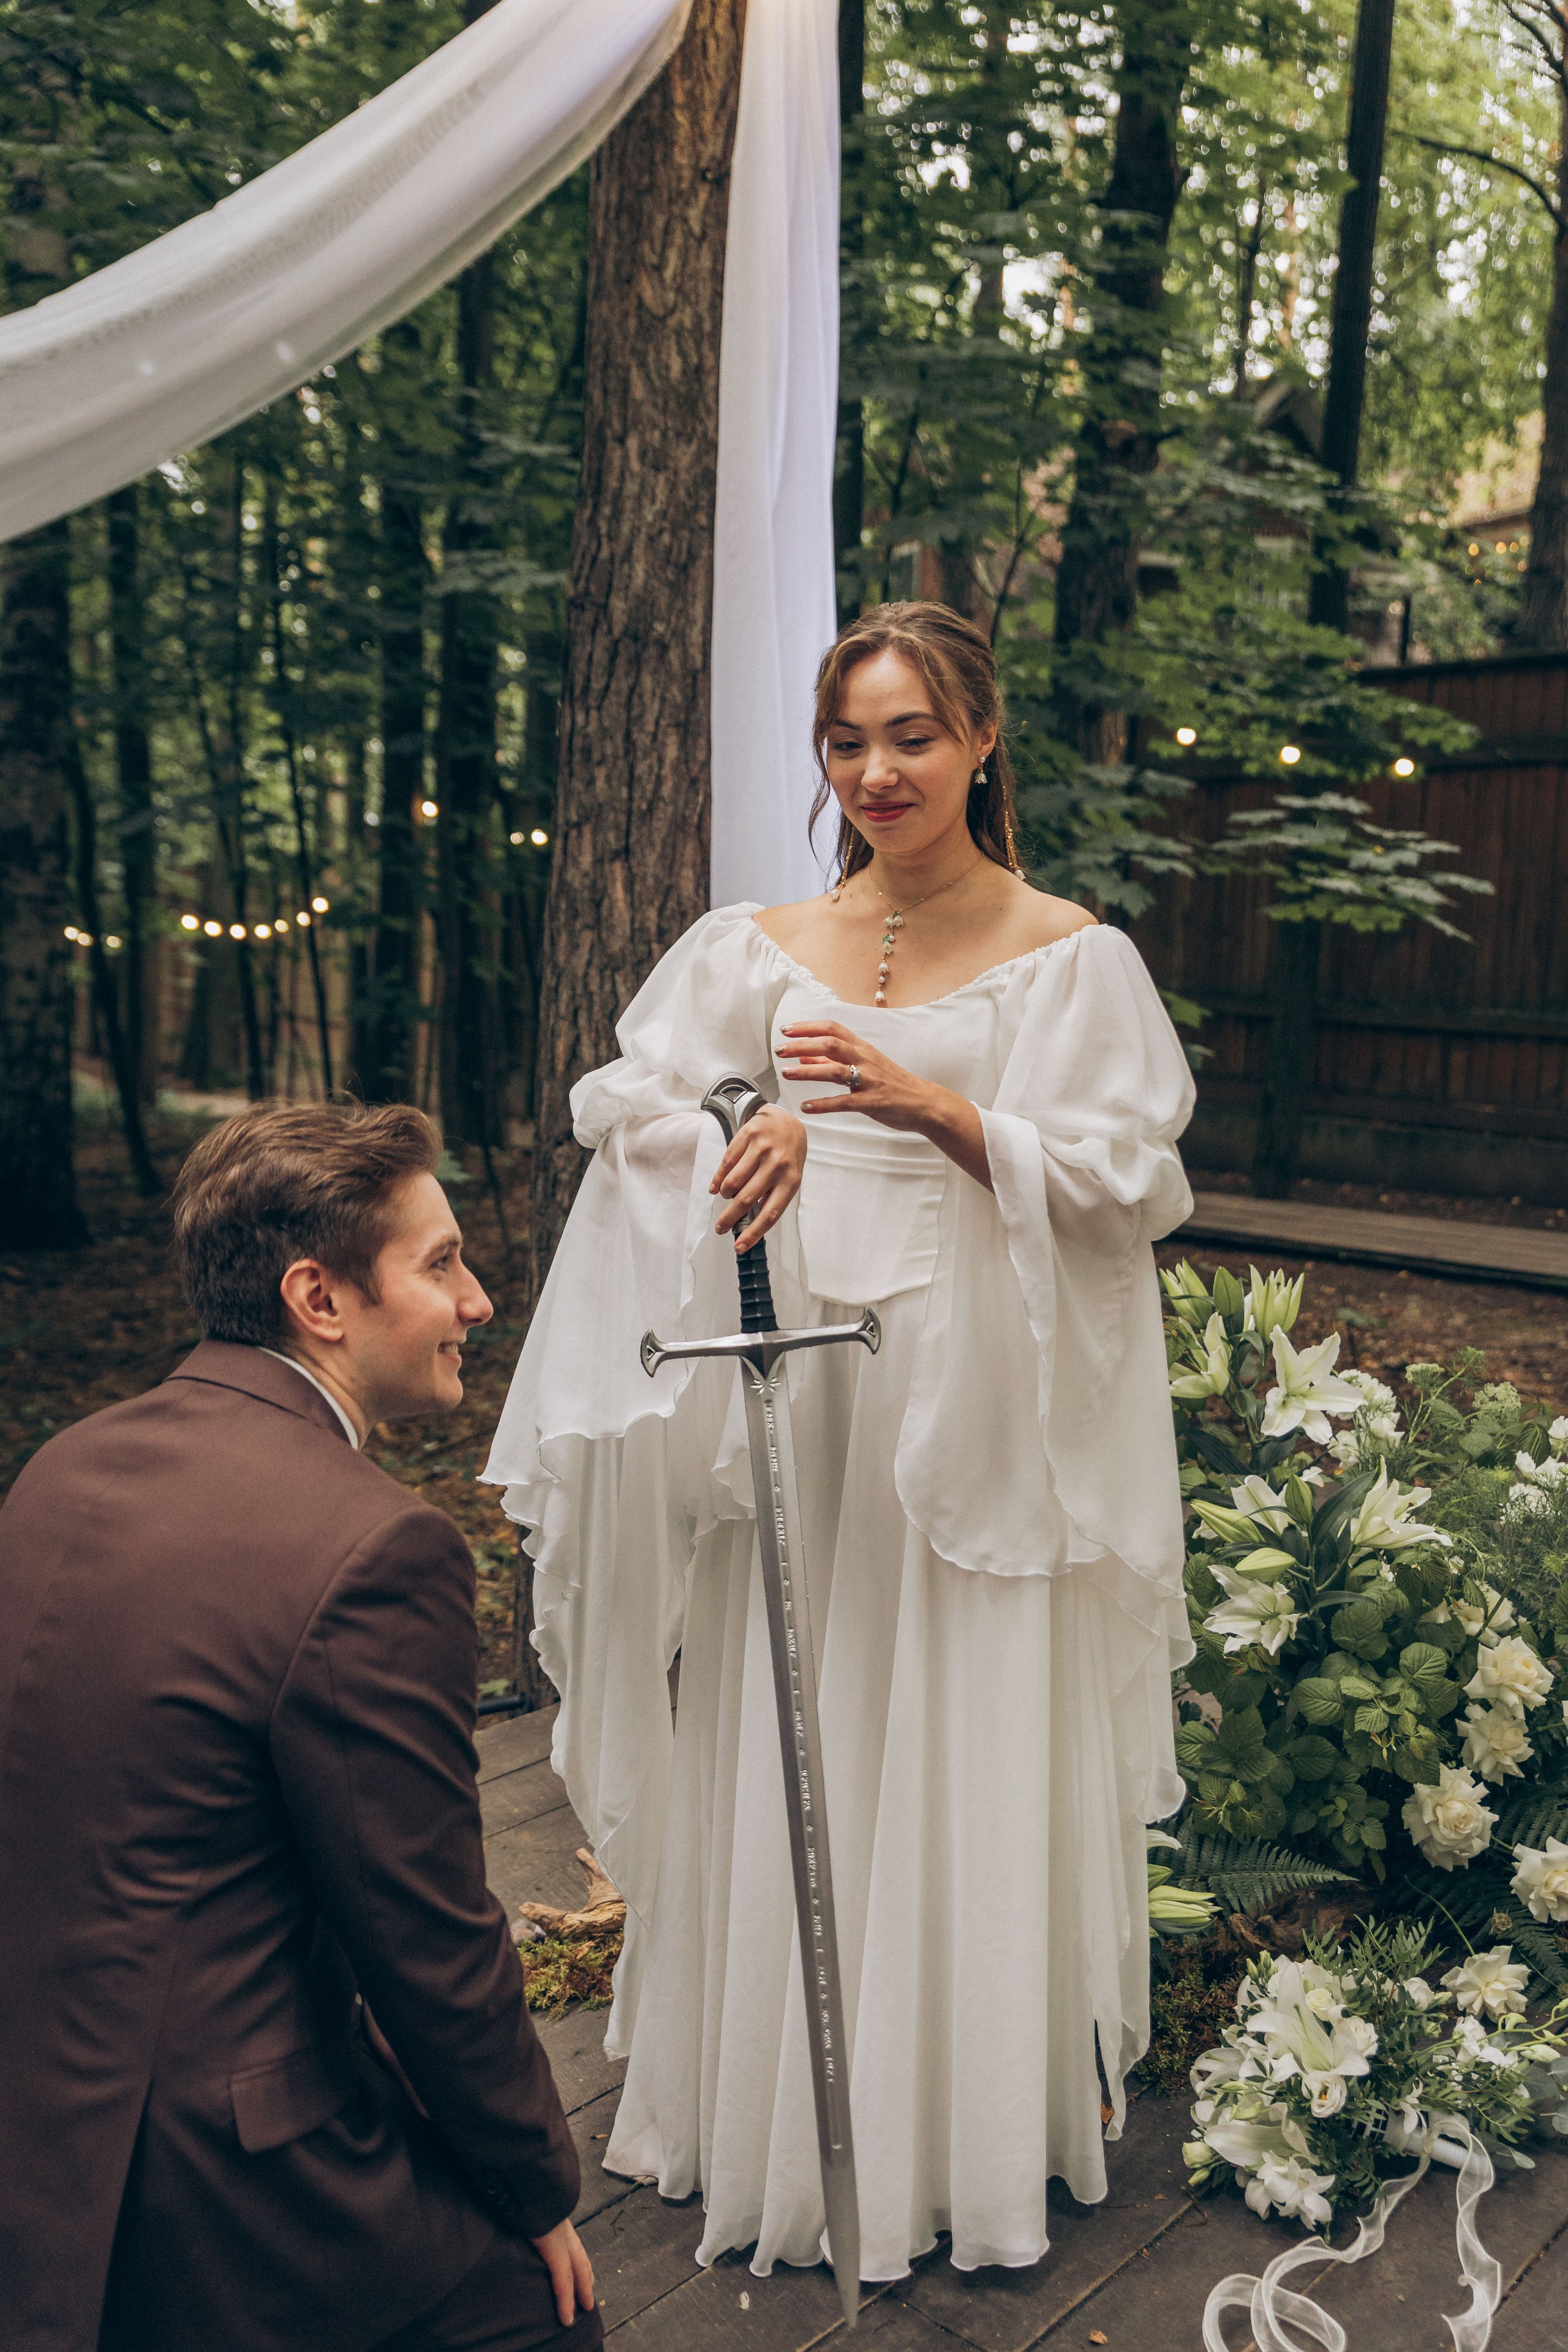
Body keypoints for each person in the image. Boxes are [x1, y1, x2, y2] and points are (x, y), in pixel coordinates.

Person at [485, 603, 1197, 2283]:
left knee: (952, 1730)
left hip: (977, 1422)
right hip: (791, 1406)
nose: (876, 773)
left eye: (911, 737)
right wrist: (748, 1135)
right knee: (786, 1719)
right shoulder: (752, 945)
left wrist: (941, 1112)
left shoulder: (1069, 956)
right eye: (847, 741)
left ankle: (950, 2135)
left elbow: (1128, 1188)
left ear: (981, 742)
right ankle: (771, 2122)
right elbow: (637, 1114)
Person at [0, 1102, 599, 2352]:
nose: (478, 1301)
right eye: (440, 1264)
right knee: (543, 2322)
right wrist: (535, 2191)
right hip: (214, 2171)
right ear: (318, 1300)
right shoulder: (378, 1548)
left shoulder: (68, 1462)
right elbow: (429, 1943)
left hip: (40, 2099)